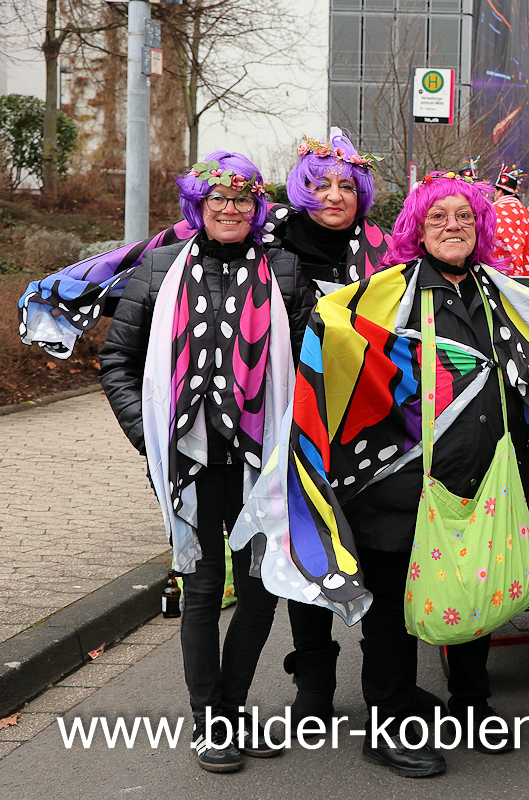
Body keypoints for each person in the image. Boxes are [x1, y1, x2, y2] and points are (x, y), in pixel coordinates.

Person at [98, 152, 312, 773]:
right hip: (188, 461)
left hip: (260, 462)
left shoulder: (284, 269)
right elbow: (118, 361)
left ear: (257, 208)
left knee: (260, 591)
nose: (230, 209)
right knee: (202, 588)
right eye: (217, 198)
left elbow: (309, 365)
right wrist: (149, 437)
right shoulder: (160, 267)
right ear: (198, 205)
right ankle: (208, 722)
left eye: (242, 199)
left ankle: (232, 708)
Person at [346, 172, 524, 778]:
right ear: (417, 229)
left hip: (477, 478)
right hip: (398, 484)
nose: (454, 226)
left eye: (465, 216)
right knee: (392, 610)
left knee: (472, 591)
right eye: (438, 217)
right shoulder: (387, 293)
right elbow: (348, 370)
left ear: (480, 226)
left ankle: (472, 703)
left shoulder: (498, 292)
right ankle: (387, 723)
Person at [268, 129, 395, 730]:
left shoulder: (383, 249)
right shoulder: (270, 246)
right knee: (310, 547)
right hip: (293, 421)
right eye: (321, 185)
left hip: (367, 424)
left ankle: (383, 688)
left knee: (372, 549)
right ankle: (314, 687)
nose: (335, 196)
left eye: (347, 184)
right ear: (302, 188)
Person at [491, 164, 529, 276]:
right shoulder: (525, 212)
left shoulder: (492, 211)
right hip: (525, 273)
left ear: (500, 192)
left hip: (497, 273)